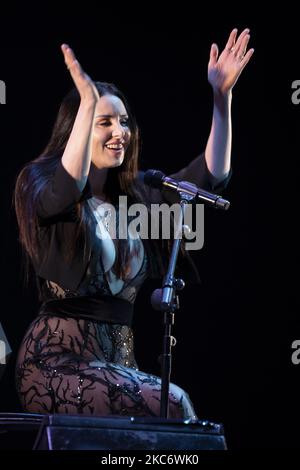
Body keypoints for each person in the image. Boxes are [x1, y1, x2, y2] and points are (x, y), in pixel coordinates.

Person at [14, 29, 253, 418]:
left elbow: (211, 175)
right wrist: (87, 101)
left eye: (123, 122)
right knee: (174, 405)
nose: (118, 132)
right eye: (103, 121)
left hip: (118, 368)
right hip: (53, 364)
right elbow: (65, 188)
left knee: (164, 416)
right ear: (77, 127)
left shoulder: (139, 195)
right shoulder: (39, 183)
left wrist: (221, 97)